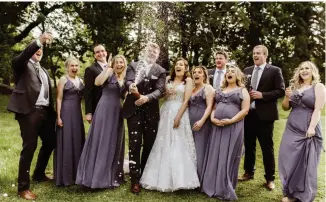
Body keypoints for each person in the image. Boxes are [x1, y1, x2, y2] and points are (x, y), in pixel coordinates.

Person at [7, 32, 56, 200]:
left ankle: (39, 174)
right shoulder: (21, 64)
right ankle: (23, 188)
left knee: (51, 142)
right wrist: (39, 41)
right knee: (29, 148)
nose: (39, 50)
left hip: (45, 112)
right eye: (37, 48)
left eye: (41, 48)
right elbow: (25, 54)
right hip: (29, 111)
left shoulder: (44, 70)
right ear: (31, 49)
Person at [140, 58, 200, 192]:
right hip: (166, 111)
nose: (179, 66)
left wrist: (178, 116)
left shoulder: (188, 81)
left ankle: (181, 179)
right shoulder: (167, 79)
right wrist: (166, 93)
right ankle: (158, 177)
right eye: (177, 64)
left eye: (182, 65)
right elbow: (161, 96)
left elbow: (186, 101)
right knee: (162, 141)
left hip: (179, 111)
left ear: (186, 68)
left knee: (179, 142)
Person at [76, 54, 127, 189]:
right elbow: (97, 83)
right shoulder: (109, 72)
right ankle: (96, 176)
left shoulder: (126, 77)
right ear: (113, 63)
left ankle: (112, 174)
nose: (119, 65)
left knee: (114, 140)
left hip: (117, 111)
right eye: (117, 62)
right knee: (102, 139)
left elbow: (125, 95)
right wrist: (107, 69)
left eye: (121, 62)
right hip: (104, 108)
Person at [239, 45, 285, 191]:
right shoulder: (246, 71)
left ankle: (270, 178)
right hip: (248, 114)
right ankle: (248, 172)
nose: (255, 55)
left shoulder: (275, 70)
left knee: (267, 147)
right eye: (253, 53)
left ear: (265, 55)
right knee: (249, 144)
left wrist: (262, 95)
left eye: (258, 53)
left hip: (265, 115)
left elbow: (281, 90)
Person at [122, 42, 166, 194]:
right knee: (134, 144)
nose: (152, 52)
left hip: (151, 113)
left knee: (148, 144)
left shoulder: (160, 70)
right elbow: (128, 81)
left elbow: (160, 90)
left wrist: (146, 98)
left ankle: (144, 175)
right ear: (145, 51)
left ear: (158, 54)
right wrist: (130, 87)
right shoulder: (134, 65)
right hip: (133, 110)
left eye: (155, 50)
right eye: (150, 50)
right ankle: (134, 180)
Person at [278, 61, 325, 202]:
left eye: (307, 68)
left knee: (305, 162)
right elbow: (285, 108)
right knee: (288, 159)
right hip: (292, 127)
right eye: (301, 69)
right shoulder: (294, 87)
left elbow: (318, 109)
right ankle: (291, 191)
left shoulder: (318, 87)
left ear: (313, 72)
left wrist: (311, 128)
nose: (304, 71)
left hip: (308, 128)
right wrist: (287, 97)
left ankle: (299, 194)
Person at [201, 65, 250, 200]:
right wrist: (212, 118)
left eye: (233, 71)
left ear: (238, 76)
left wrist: (231, 120)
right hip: (217, 126)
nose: (229, 73)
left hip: (233, 127)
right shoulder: (220, 90)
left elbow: (245, 110)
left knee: (228, 155)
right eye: (227, 72)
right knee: (215, 153)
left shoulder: (242, 90)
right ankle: (211, 185)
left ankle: (224, 186)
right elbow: (214, 107)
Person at [54, 57, 85, 186]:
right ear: (67, 67)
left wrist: (83, 114)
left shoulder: (81, 80)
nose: (74, 68)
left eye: (76, 66)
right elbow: (59, 99)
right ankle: (65, 176)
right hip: (66, 112)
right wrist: (59, 117)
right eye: (72, 66)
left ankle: (77, 174)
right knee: (67, 141)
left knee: (77, 140)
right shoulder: (63, 80)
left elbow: (82, 100)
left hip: (77, 113)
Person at [188, 65, 214, 180]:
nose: (196, 74)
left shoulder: (208, 88)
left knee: (200, 149)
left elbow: (210, 107)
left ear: (204, 75)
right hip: (189, 123)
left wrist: (202, 121)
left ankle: (201, 178)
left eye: (199, 72)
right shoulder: (191, 89)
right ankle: (191, 178)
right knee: (190, 148)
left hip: (202, 123)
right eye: (194, 72)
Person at [84, 44, 108, 123]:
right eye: (97, 52)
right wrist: (89, 112)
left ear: (106, 53)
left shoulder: (114, 67)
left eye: (102, 51)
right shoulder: (90, 69)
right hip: (98, 106)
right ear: (94, 55)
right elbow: (88, 91)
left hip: (113, 105)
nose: (101, 53)